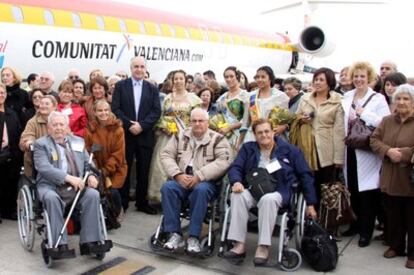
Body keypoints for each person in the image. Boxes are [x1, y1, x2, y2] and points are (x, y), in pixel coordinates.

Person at [223, 119, 317, 265]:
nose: (264, 135)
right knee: (238, 196)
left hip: (279, 191)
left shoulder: (290, 151)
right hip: (253, 189)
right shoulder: (248, 148)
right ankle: (239, 244)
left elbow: (306, 176)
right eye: (259, 132)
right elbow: (236, 167)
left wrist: (310, 203)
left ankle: (263, 246)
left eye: (267, 131)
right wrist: (236, 181)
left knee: (268, 199)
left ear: (273, 132)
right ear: (254, 135)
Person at [33, 111, 110, 255]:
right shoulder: (41, 144)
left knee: (93, 194)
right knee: (51, 198)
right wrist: (68, 178)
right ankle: (59, 244)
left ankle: (90, 242)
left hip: (77, 186)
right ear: (49, 128)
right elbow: (44, 168)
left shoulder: (77, 141)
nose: (58, 128)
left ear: (67, 127)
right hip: (51, 186)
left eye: (61, 124)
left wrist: (91, 176)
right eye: (54, 125)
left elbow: (89, 163)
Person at [160, 108, 232, 253]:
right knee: (168, 187)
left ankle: (193, 236)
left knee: (200, 190)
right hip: (182, 179)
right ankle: (175, 234)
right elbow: (166, 155)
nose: (197, 124)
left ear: (207, 123)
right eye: (194, 121)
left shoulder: (218, 139)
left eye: (201, 121)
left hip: (206, 182)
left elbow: (224, 162)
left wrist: (199, 176)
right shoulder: (180, 136)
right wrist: (177, 174)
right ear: (190, 122)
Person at [341, 61, 390, 247]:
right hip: (350, 149)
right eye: (356, 76)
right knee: (352, 188)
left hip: (367, 151)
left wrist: (365, 113)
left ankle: (365, 231)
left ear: (369, 78)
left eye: (362, 76)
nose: (359, 79)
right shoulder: (346, 96)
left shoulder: (377, 98)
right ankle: (354, 224)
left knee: (367, 192)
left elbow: (384, 123)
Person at [370, 84, 414, 269]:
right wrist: (388, 151)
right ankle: (396, 246)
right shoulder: (387, 120)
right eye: (399, 99)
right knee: (393, 214)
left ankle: (412, 253)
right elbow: (374, 140)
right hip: (390, 176)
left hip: (410, 178)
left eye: (406, 99)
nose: (402, 102)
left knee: (412, 217)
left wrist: (403, 154)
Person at [111, 57, 161, 214]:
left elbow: (156, 111)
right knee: (124, 168)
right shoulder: (120, 86)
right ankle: (123, 201)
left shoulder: (152, 88)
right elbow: (116, 109)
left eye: (141, 67)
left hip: (145, 134)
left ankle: (142, 202)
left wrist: (142, 126)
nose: (139, 69)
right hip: (126, 134)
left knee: (143, 169)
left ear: (145, 68)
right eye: (135, 66)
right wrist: (129, 124)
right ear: (130, 68)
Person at [148, 70, 201, 202]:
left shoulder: (194, 99)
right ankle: (159, 197)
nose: (178, 81)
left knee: (180, 166)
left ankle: (178, 197)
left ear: (186, 81)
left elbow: (198, 119)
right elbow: (160, 117)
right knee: (161, 166)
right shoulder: (167, 98)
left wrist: (188, 131)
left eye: (180, 79)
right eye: (175, 79)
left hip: (186, 138)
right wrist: (163, 126)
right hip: (167, 137)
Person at [295, 67, 345, 204]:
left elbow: (339, 130)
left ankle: (325, 219)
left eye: (321, 80)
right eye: (315, 79)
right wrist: (301, 119)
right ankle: (309, 216)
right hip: (306, 148)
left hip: (327, 150)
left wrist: (338, 158)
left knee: (326, 187)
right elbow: (295, 118)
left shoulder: (338, 101)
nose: (317, 82)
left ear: (329, 82)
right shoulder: (305, 98)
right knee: (308, 184)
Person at [84, 100, 127, 221]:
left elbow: (118, 154)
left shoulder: (118, 129)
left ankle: (117, 211)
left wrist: (105, 171)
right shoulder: (90, 129)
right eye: (100, 110)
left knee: (112, 191)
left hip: (115, 167)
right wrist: (96, 170)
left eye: (106, 110)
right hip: (96, 167)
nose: (103, 113)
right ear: (95, 112)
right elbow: (88, 151)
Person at [240, 66, 289, 144]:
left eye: (263, 77)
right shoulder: (250, 96)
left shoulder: (280, 96)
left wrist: (283, 127)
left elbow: (285, 120)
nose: (259, 79)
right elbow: (246, 122)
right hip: (253, 137)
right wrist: (240, 142)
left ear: (270, 78)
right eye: (257, 77)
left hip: (272, 137)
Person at [20, 95, 58, 178]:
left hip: (57, 162)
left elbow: (68, 135)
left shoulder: (60, 119)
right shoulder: (32, 122)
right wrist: (29, 142)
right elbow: (26, 138)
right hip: (37, 166)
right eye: (41, 103)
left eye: (47, 104)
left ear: (54, 107)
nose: (43, 106)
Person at [0, 83, 22, 221]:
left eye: (2, 92)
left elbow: (18, 132)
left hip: (11, 154)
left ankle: (9, 210)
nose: (1, 94)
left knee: (10, 183)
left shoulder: (11, 113)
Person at [215, 66, 249, 151]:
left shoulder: (245, 95)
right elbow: (218, 116)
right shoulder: (222, 98)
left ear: (237, 77)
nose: (229, 79)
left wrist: (230, 127)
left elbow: (247, 119)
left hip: (240, 135)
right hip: (224, 135)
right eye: (226, 77)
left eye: (231, 76)